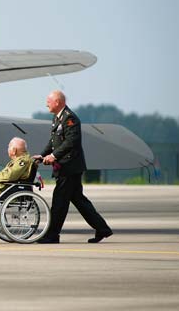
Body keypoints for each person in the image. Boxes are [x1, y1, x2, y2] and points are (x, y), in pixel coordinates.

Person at [33, 90, 113, 244]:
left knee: (59, 202)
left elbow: (71, 142)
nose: (46, 104)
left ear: (58, 102)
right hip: (65, 167)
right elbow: (53, 141)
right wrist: (42, 156)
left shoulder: (70, 118)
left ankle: (52, 235)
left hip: (69, 168)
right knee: (79, 201)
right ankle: (102, 229)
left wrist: (54, 156)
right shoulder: (57, 118)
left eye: (48, 101)